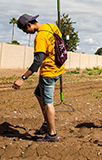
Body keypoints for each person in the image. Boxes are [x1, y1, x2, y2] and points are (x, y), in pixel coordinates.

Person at [12, 14, 65, 142]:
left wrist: (22, 78)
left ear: (29, 25)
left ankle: (52, 134)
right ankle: (47, 123)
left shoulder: (40, 37)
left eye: (25, 30)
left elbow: (37, 62)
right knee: (38, 93)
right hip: (58, 68)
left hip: (49, 72)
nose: (26, 33)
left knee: (47, 102)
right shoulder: (51, 26)